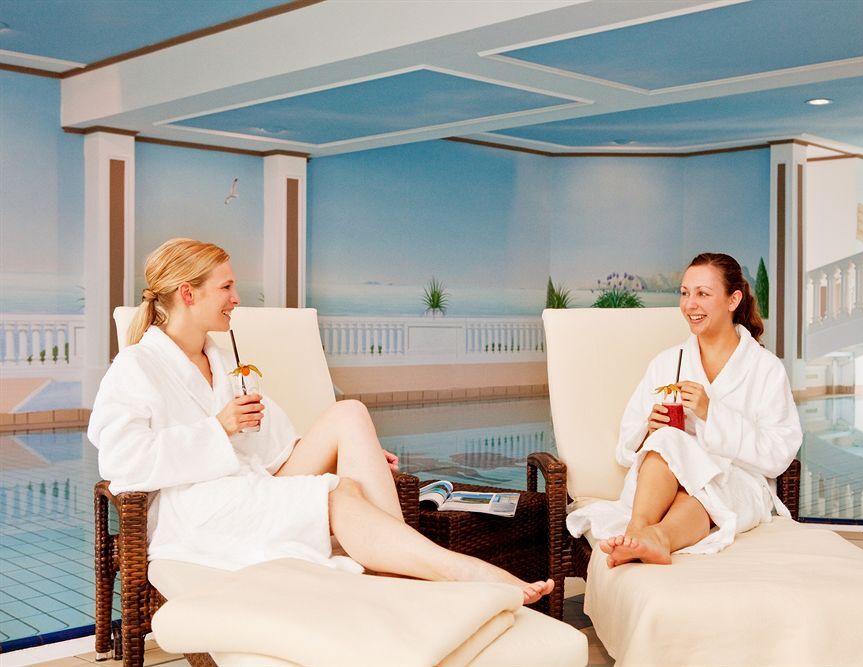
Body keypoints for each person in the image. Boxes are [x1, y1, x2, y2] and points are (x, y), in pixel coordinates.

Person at [88, 238, 553, 603]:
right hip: (194, 508)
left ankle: (400, 561)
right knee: (339, 493)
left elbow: (276, 445)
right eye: (226, 287)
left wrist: (359, 451)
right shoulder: (137, 366)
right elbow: (121, 460)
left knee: (350, 413)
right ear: (188, 293)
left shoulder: (223, 359)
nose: (236, 298)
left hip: (247, 482)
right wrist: (220, 427)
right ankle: (450, 570)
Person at [566, 252, 802, 567]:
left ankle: (656, 537)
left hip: (736, 483)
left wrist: (710, 412)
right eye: (684, 293)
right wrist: (648, 430)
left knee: (701, 492)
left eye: (703, 294)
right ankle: (640, 531)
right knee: (665, 439)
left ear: (733, 300)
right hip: (664, 483)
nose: (690, 304)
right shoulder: (667, 363)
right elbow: (626, 448)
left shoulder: (765, 368)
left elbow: (779, 453)